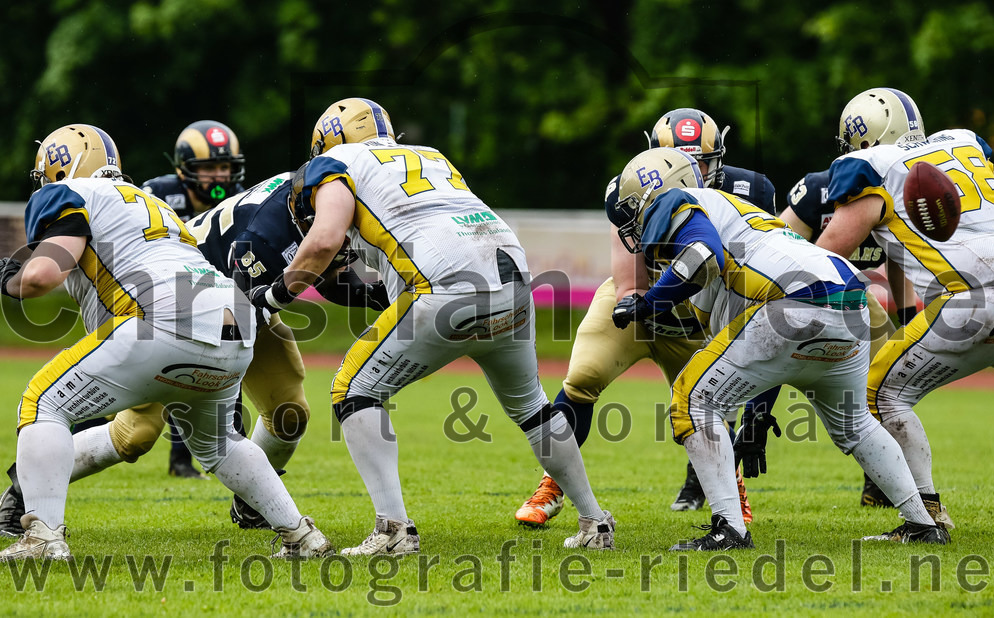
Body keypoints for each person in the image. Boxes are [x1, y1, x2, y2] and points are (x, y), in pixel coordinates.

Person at [248, 97, 614, 554]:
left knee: (352, 390)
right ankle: (595, 522)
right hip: (515, 276)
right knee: (533, 407)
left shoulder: (335, 161)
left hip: (445, 285)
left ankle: (394, 530)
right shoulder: (431, 156)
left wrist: (275, 294)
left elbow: (324, 239)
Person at [0, 124, 331, 560]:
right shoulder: (153, 202)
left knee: (42, 403)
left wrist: (11, 278)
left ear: (57, 166)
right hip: (234, 323)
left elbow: (44, 275)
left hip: (157, 318)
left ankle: (43, 537)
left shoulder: (68, 192)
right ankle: (301, 536)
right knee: (220, 444)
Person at [608, 146, 949, 550]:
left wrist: (648, 302)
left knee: (690, 401)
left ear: (654, 192)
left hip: (794, 305)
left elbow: (701, 255)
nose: (632, 227)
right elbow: (735, 333)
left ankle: (729, 529)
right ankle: (922, 523)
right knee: (856, 424)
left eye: (632, 210)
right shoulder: (743, 222)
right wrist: (754, 416)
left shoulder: (681, 201)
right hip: (848, 304)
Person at [514, 108, 778, 527]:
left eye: (703, 161)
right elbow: (630, 281)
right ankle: (553, 482)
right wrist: (636, 301)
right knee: (582, 377)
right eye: (680, 159)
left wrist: (759, 402)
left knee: (706, 404)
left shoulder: (751, 191)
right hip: (641, 300)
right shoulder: (630, 186)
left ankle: (729, 490)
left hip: (701, 311)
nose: (693, 171)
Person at [818, 87, 994, 537]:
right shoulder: (964, 142)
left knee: (876, 394)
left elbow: (830, 252)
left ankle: (925, 518)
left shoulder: (872, 165)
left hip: (970, 298)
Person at [780, 169, 920, 507]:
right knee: (752, 383)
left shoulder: (895, 193)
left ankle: (880, 481)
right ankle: (727, 468)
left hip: (855, 298)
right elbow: (777, 243)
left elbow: (898, 258)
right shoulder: (817, 190)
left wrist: (908, 317)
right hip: (795, 297)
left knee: (888, 386)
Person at [141, 120, 247, 479]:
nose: (219, 177)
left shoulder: (240, 200)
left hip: (212, 299)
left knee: (217, 371)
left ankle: (194, 459)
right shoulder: (157, 195)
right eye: (208, 169)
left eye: (225, 167)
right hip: (153, 301)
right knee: (126, 407)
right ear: (184, 169)